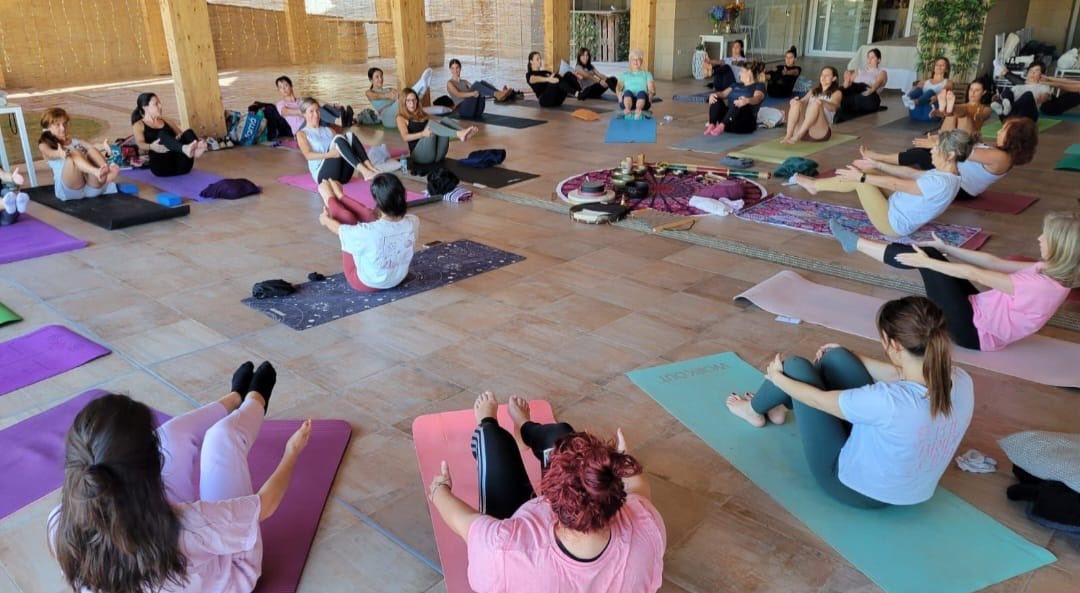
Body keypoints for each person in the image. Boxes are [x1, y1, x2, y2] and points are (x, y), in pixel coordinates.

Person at [48, 362, 313, 593]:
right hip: (233, 576)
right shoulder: (187, 527)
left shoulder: (59, 525)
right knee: (222, 439)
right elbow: (264, 505)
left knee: (170, 437)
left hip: (161, 539)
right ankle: (256, 398)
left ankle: (234, 397)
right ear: (150, 471)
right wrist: (292, 452)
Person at [726, 296, 974, 508]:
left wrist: (778, 378)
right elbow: (901, 374)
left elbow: (818, 400)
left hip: (855, 490)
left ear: (893, 344)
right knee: (836, 357)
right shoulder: (960, 380)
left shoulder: (888, 401)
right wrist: (849, 354)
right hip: (913, 489)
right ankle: (779, 407)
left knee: (794, 367)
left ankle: (752, 410)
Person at [429, 391, 666, 593]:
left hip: (516, 526)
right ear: (616, 498)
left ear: (549, 495)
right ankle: (525, 428)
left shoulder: (503, 550)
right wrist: (622, 462)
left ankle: (488, 423)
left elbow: (464, 523)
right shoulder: (646, 527)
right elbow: (638, 488)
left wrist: (440, 489)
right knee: (560, 433)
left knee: (494, 441)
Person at [829, 212, 1078, 352]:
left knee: (927, 259)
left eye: (1046, 236)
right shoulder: (1052, 272)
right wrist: (947, 248)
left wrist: (928, 264)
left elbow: (977, 274)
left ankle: (856, 244)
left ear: (1059, 247)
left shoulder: (1039, 287)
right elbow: (992, 262)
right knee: (932, 256)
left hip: (974, 333)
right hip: (979, 311)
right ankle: (857, 244)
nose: (1039, 238)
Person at [794, 129, 975, 237]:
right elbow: (911, 173)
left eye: (936, 149)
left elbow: (896, 184)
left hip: (893, 223)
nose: (932, 152)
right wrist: (876, 164)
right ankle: (815, 186)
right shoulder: (948, 173)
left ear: (950, 155)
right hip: (896, 204)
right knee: (867, 172)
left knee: (861, 181)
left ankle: (814, 185)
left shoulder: (941, 183)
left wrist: (861, 178)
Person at [860, 116, 1037, 200]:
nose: (998, 131)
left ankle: (877, 157)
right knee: (920, 154)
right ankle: (879, 159)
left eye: (1003, 130)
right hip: (960, 180)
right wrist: (939, 141)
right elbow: (969, 146)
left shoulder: (1000, 157)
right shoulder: (1003, 153)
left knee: (920, 154)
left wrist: (935, 145)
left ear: (1014, 138)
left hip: (961, 188)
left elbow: (961, 152)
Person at [316, 174, 418, 292]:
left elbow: (339, 229)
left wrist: (326, 215)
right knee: (368, 216)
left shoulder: (367, 232)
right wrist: (340, 196)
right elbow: (374, 217)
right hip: (397, 278)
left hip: (365, 283)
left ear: (378, 203)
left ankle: (326, 193)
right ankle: (338, 195)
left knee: (347, 218)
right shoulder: (413, 221)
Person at [38, 108, 120, 199]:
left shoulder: (75, 141)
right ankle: (98, 173)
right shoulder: (44, 144)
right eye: (57, 125)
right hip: (71, 190)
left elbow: (94, 148)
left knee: (91, 150)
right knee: (73, 153)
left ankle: (104, 175)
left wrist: (106, 149)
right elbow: (50, 153)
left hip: (92, 188)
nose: (63, 128)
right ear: (47, 128)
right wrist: (59, 154)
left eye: (65, 124)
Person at [296, 97, 382, 183]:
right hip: (323, 176)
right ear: (304, 114)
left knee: (349, 135)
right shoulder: (302, 133)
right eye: (311, 111)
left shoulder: (328, 130)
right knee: (338, 139)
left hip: (343, 176)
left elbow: (344, 145)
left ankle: (370, 167)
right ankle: (364, 171)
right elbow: (308, 155)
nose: (316, 114)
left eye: (317, 110)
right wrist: (329, 155)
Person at [396, 88, 478, 167]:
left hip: (436, 156)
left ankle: (464, 132)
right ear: (403, 102)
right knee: (431, 125)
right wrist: (422, 134)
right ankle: (459, 134)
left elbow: (438, 124)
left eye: (414, 100)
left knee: (445, 120)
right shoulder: (401, 117)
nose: (412, 103)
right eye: (408, 101)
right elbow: (405, 137)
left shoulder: (421, 114)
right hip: (420, 157)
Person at [131, 93, 207, 178]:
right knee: (162, 134)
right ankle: (186, 149)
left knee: (188, 132)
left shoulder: (167, 121)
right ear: (145, 107)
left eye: (159, 103)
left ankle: (195, 151)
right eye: (156, 104)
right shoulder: (139, 125)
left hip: (183, 166)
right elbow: (140, 144)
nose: (160, 106)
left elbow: (182, 136)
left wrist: (194, 141)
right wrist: (151, 146)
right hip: (163, 167)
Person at [781, 66, 841, 144]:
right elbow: (802, 102)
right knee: (796, 104)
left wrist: (822, 102)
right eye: (822, 75)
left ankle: (798, 136)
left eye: (827, 75)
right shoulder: (813, 91)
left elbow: (834, 108)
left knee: (816, 104)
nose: (823, 77)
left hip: (820, 131)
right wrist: (794, 101)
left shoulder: (836, 93)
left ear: (834, 78)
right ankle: (788, 135)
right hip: (805, 129)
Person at [704, 60, 765, 135]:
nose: (739, 73)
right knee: (716, 98)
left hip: (744, 124)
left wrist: (747, 100)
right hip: (729, 122)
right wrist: (713, 95)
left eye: (741, 71)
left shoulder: (759, 86)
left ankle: (721, 126)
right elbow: (723, 94)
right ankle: (712, 125)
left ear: (749, 72)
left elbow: (757, 98)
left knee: (739, 101)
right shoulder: (736, 85)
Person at [837, 48, 888, 121]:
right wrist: (846, 80)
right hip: (854, 90)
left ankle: (847, 103)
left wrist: (871, 90)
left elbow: (877, 83)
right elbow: (846, 86)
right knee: (841, 91)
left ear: (879, 60)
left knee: (859, 90)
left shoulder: (882, 72)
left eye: (872, 57)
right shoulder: (859, 71)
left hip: (868, 93)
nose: (869, 60)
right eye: (868, 57)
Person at [902, 57, 952, 122]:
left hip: (931, 113)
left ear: (946, 69)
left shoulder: (948, 82)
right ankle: (908, 98)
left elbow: (946, 90)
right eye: (937, 65)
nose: (939, 67)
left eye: (942, 65)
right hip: (915, 114)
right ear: (934, 68)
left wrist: (936, 97)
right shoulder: (924, 82)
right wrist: (914, 90)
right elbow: (915, 91)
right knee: (919, 90)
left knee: (930, 92)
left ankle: (915, 102)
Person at [617, 48, 658, 119]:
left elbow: (651, 88)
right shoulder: (624, 75)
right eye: (633, 59)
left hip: (643, 101)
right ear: (630, 61)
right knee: (627, 92)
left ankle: (638, 111)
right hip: (627, 101)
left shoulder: (647, 74)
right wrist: (620, 100)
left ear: (641, 61)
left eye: (638, 59)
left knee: (641, 93)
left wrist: (651, 96)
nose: (636, 61)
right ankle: (627, 110)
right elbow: (618, 89)